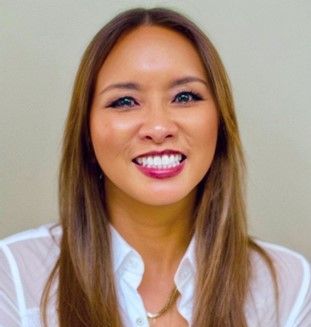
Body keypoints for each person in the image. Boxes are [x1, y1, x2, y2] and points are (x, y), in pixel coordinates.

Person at [0, 7, 310, 327]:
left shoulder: (287, 287)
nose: (159, 127)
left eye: (185, 96)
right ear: (87, 134)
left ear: (220, 122)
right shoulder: (15, 277)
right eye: (125, 102)